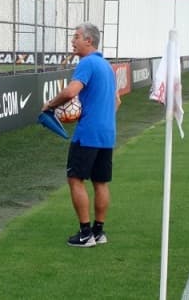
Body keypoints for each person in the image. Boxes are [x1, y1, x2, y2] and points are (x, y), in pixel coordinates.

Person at [42, 22, 121, 247]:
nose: (72, 40)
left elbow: (70, 91)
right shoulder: (107, 66)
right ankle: (99, 232)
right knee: (101, 182)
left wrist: (49, 105)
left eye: (76, 36)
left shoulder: (87, 62)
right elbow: (117, 101)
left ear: (89, 40)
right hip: (107, 133)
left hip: (88, 133)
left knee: (75, 179)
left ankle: (85, 233)